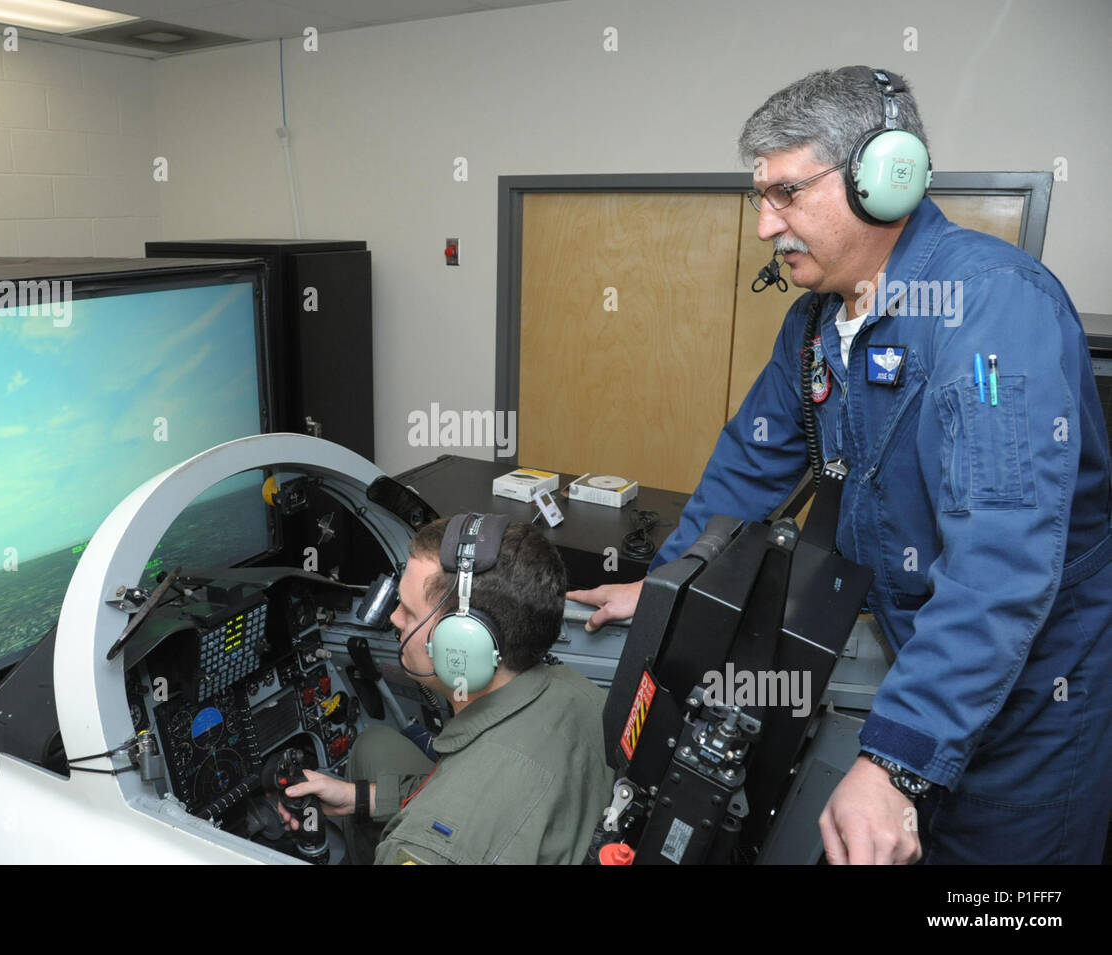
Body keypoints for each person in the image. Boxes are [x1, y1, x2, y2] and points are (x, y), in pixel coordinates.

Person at [570, 66, 1112, 865]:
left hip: (1032, 700)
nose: (764, 226)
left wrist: (896, 758)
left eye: (786, 193)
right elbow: (747, 467)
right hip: (921, 657)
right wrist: (667, 583)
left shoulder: (995, 307)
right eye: (761, 197)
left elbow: (1003, 563)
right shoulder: (817, 323)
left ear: (883, 180)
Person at [281, 513, 615, 864]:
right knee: (375, 745)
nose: (394, 618)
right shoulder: (580, 692)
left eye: (409, 612)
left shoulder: (422, 852)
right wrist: (360, 798)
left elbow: (459, 817)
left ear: (464, 643)